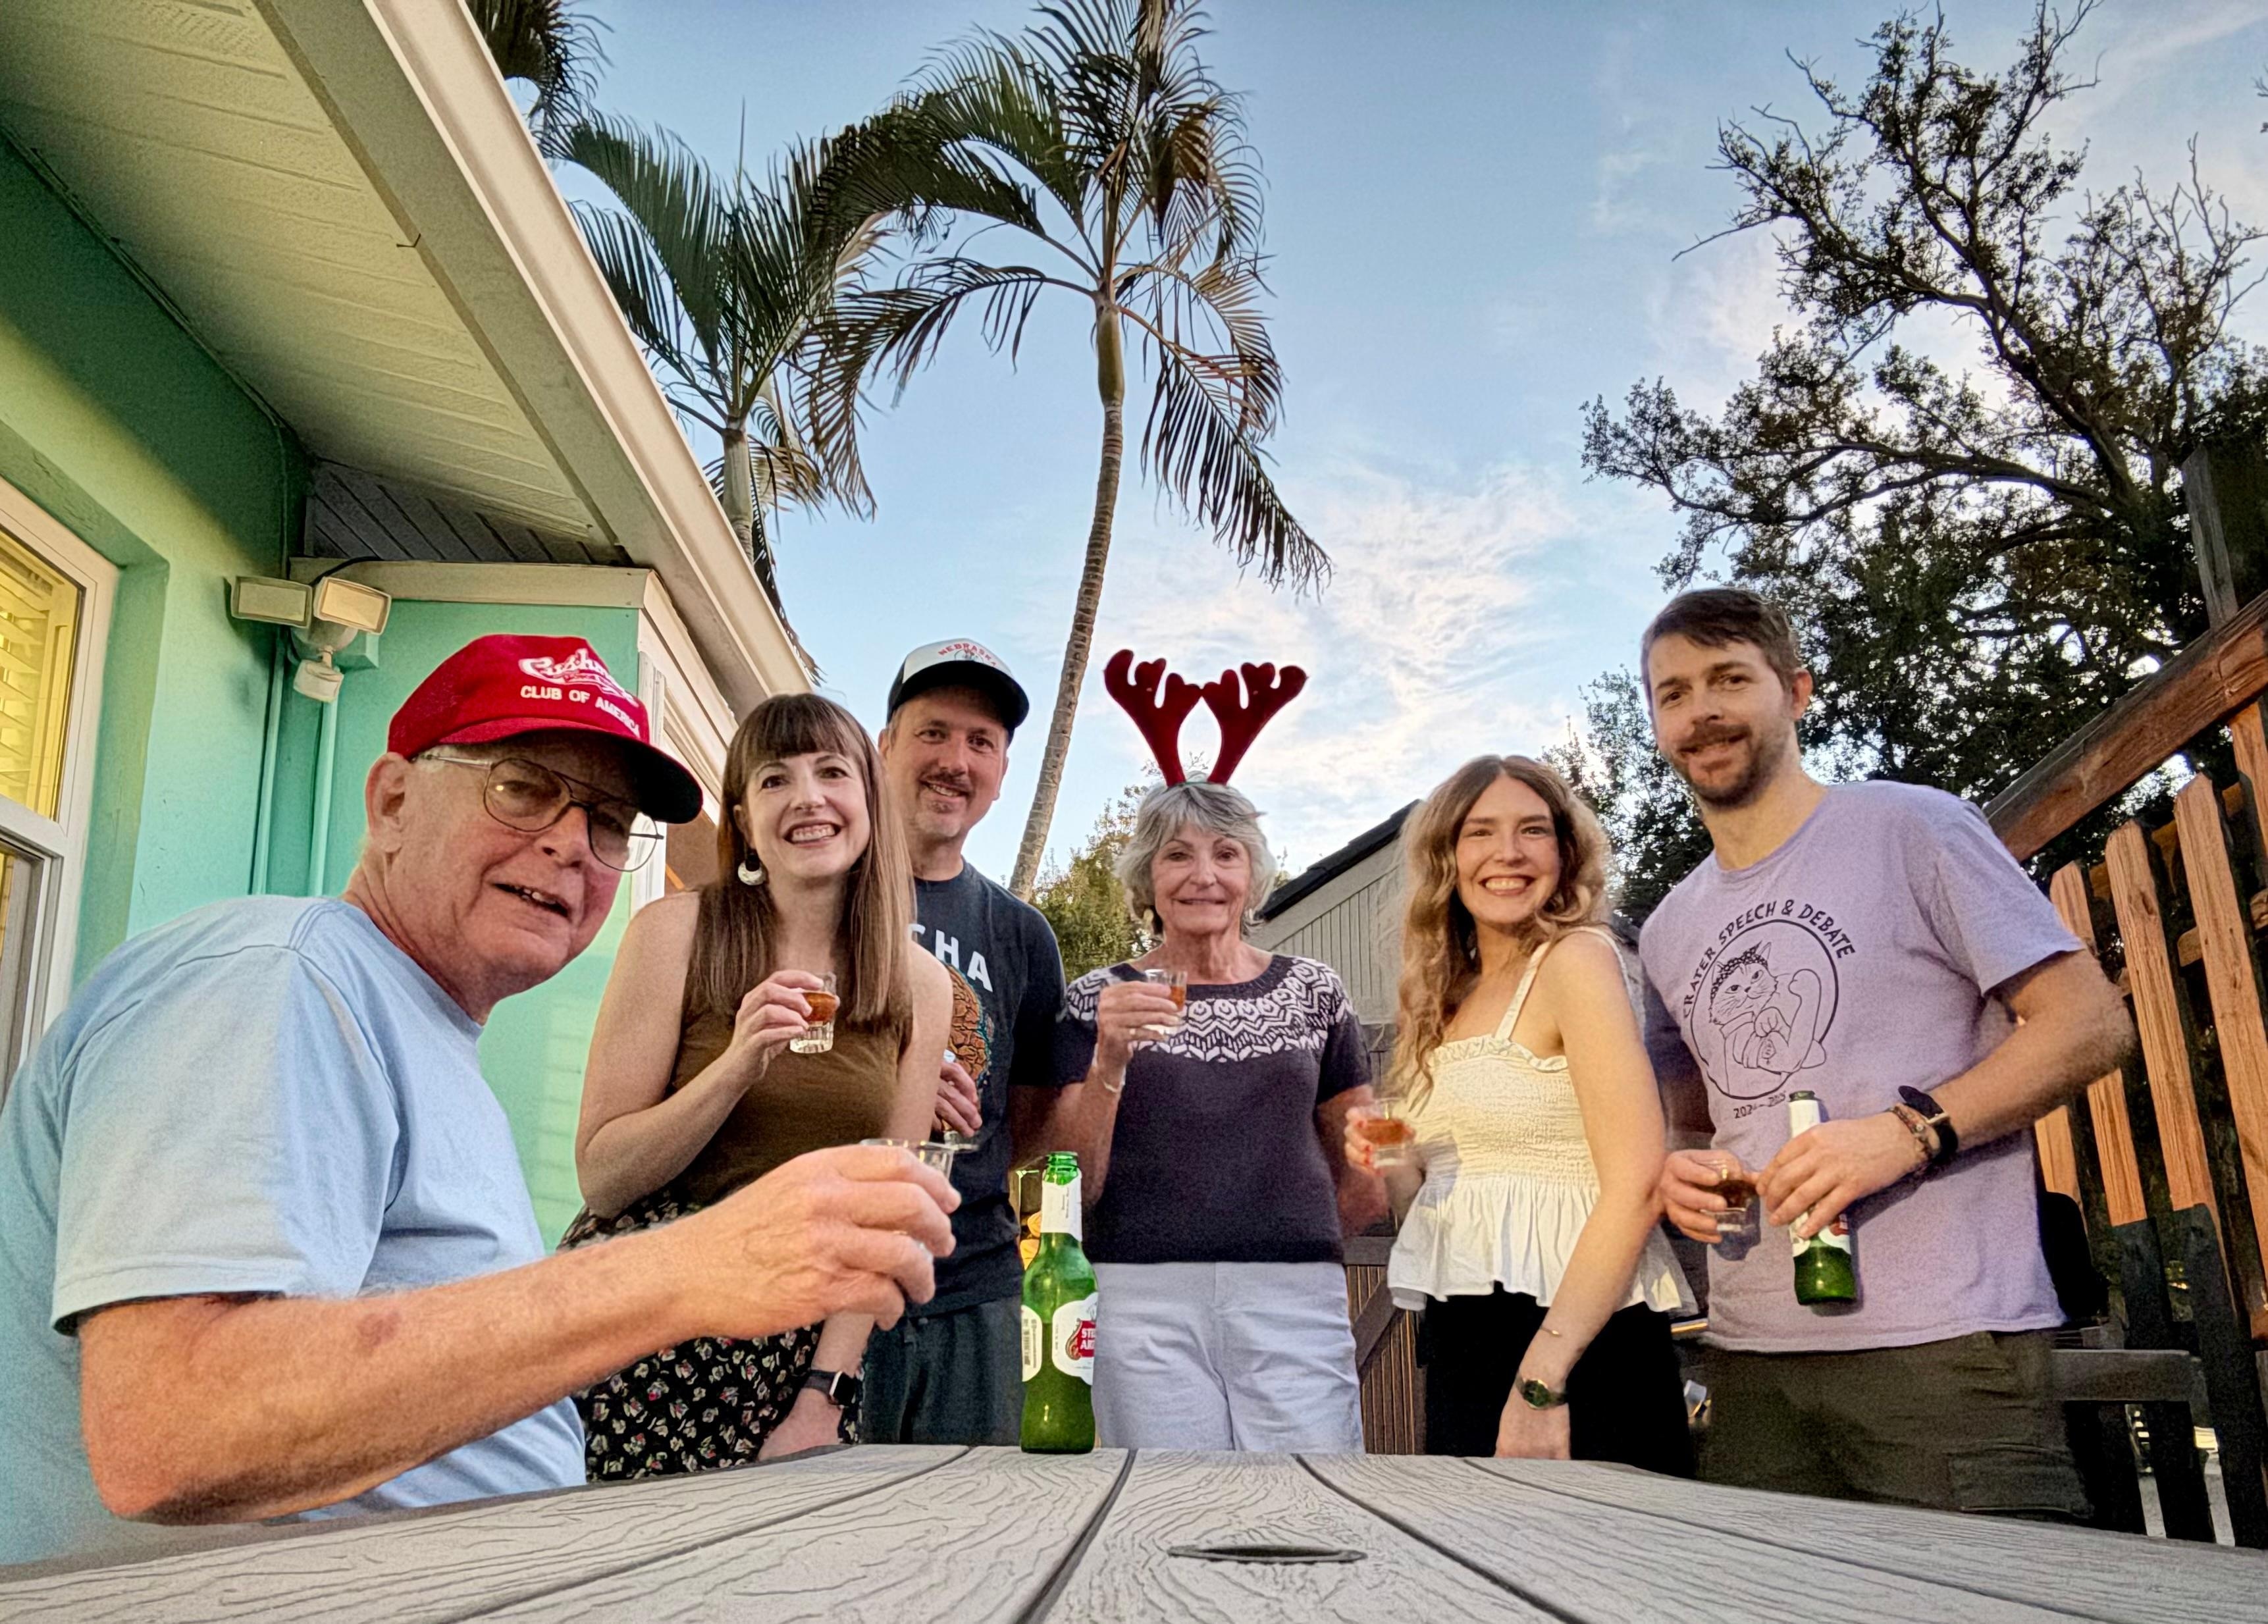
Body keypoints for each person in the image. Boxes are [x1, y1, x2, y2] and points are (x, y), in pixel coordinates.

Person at [0, 635, 956, 1567]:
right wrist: (686, 1267)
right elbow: (174, 1429)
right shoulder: (278, 976)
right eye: (522, 787)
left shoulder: (421, 1031)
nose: (568, 844)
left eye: (608, 822)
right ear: (392, 803)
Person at [1636, 588, 2134, 1516]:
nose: (1699, 710)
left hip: (1941, 1349)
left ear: (1797, 691)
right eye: (1672, 693)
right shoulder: (1668, 927)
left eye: (1728, 679)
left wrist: (1909, 1133)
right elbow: (1694, 1116)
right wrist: (1678, 1169)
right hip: (1752, 1362)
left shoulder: (1914, 827)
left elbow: (2089, 1021)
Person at [570, 694, 951, 1476]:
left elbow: (888, 1217)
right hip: (647, 1317)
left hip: (801, 1344)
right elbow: (604, 1177)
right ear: (743, 821)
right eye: (775, 780)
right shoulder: (675, 933)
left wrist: (823, 1394)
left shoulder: (919, 985)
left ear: (868, 801)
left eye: (832, 772)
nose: (808, 797)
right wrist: (737, 1063)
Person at [1345, 755, 1694, 1470]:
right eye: (1480, 832)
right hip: (1466, 1336)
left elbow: (1634, 1183)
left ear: (1565, 852)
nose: (1506, 853)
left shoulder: (1577, 959)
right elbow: (1431, 1210)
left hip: (1576, 1346)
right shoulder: (1444, 995)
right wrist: (1393, 1159)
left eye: (1532, 830)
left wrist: (1539, 1384)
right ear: (1447, 856)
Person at [1049, 779, 1386, 1451]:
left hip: (1293, 1298)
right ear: (1147, 876)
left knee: (1311, 1500)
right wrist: (1108, 1062)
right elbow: (1071, 1186)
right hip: (1139, 1298)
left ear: (1252, 876)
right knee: (1165, 1509)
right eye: (1177, 855)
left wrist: (1297, 1240)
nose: (1203, 876)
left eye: (1226, 855)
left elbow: (1367, 1156)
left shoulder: (1315, 990)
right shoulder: (1095, 998)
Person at [865, 640, 1068, 1446]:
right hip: (824, 1273)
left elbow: (1033, 1141)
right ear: (883, 745)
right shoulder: (816, 897)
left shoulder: (1022, 935)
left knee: (977, 1541)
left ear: (1002, 771)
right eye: (934, 733)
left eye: (981, 743)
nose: (956, 761)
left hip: (978, 1289)